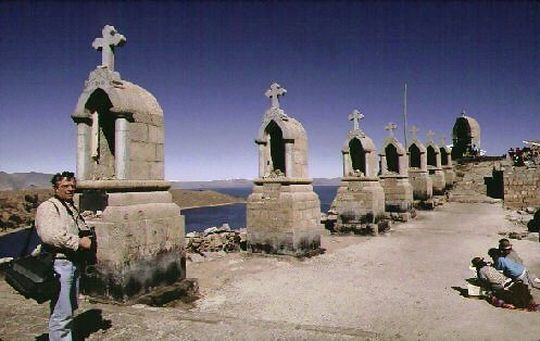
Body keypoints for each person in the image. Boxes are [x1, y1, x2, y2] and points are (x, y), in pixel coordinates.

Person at [35, 171, 92, 340]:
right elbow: (50, 235)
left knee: (69, 306)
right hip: (59, 264)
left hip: (71, 263)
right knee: (62, 311)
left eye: (73, 186)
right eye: (65, 186)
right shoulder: (48, 207)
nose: (70, 189)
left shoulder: (68, 206)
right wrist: (79, 242)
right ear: (55, 188)